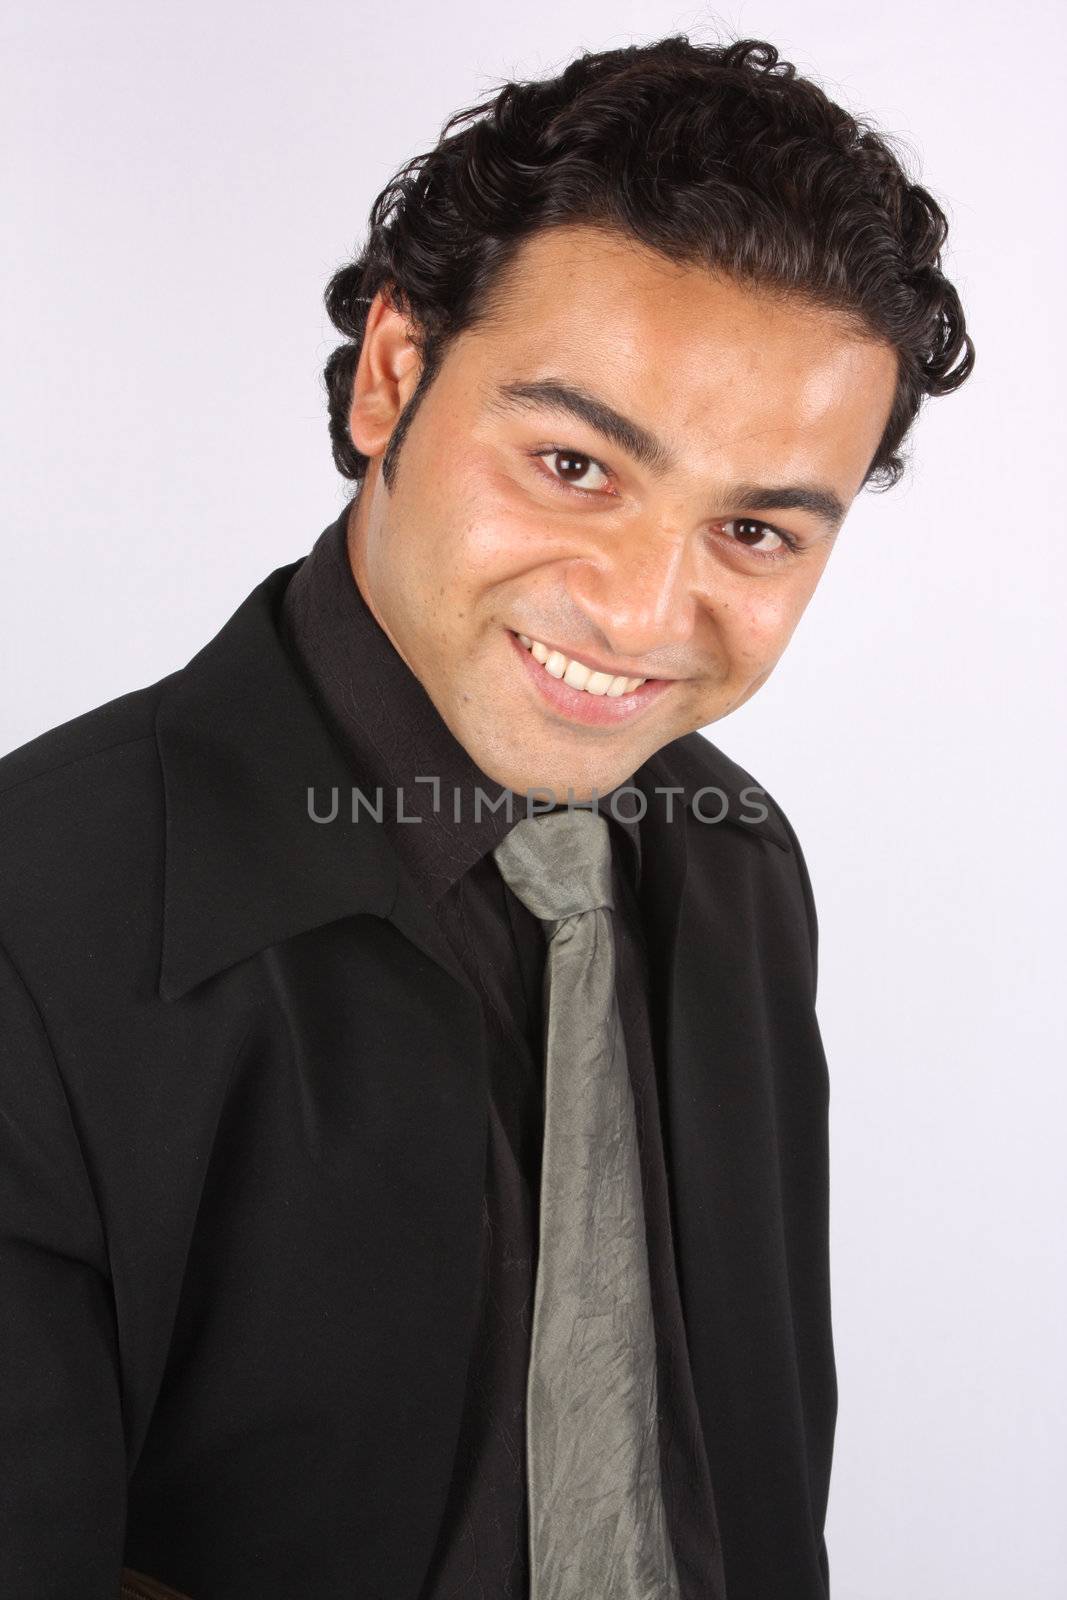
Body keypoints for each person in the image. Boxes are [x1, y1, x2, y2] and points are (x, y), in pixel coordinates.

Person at [0, 34, 973, 1600]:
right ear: (395, 378)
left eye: (755, 529)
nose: (649, 614)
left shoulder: (735, 865)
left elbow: (753, 1484)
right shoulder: (35, 926)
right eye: (576, 463)